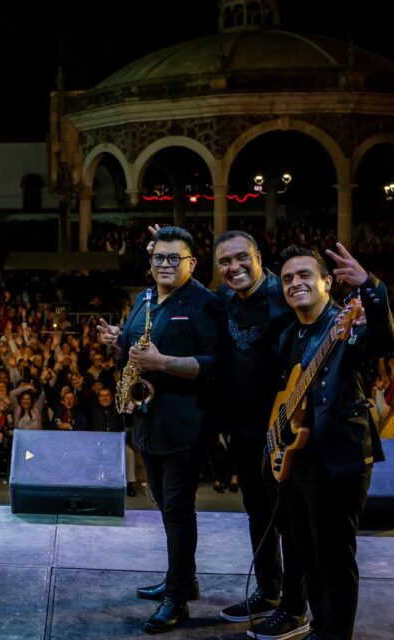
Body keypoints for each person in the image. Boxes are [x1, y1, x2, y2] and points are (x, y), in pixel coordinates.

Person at [98, 225, 222, 634]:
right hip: (148, 419)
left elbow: (216, 364)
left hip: (184, 425)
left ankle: (178, 599)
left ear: (192, 263)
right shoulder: (145, 297)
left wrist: (163, 362)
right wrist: (118, 339)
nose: (165, 265)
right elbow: (136, 345)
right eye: (159, 258)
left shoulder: (204, 303)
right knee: (165, 508)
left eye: (174, 259)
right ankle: (180, 578)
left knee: (178, 510)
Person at [273, 243, 394, 640]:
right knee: (307, 554)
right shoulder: (290, 336)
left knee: (334, 559)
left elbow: (385, 342)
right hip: (299, 457)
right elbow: (285, 394)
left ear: (328, 282)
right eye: (288, 278)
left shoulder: (349, 321)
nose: (295, 282)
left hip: (339, 456)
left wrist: (372, 287)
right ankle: (320, 627)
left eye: (305, 274)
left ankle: (334, 635)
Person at [203, 230, 309, 636]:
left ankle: (296, 609)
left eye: (240, 258)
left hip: (286, 428)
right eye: (225, 262)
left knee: (290, 519)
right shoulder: (225, 298)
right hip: (244, 430)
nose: (234, 268)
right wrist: (168, 256)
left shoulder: (284, 295)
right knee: (258, 513)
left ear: (258, 257)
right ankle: (269, 591)